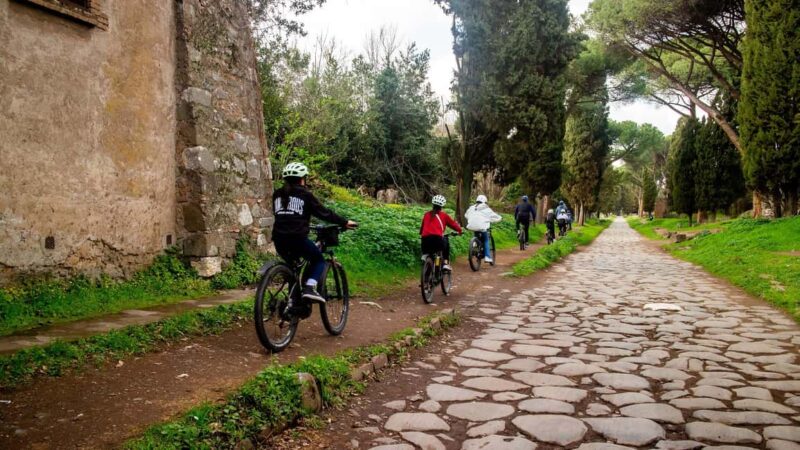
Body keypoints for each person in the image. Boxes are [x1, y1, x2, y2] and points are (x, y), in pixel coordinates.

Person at [271, 162, 358, 304]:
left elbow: (283, 215)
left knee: (293, 270)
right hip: (297, 239)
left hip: (279, 240)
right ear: (302, 179)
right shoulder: (305, 194)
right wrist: (344, 222)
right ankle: (309, 288)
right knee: (318, 261)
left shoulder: (277, 195)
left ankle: (292, 303)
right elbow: (324, 213)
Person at [419, 195, 463, 271]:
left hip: (425, 240)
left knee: (427, 251)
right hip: (437, 239)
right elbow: (453, 225)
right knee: (446, 243)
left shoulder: (426, 214)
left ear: (432, 204)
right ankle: (445, 263)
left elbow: (422, 228)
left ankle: (425, 257)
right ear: (442, 206)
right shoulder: (444, 215)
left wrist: (421, 234)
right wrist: (460, 230)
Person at [465, 194, 502, 263]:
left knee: (476, 237)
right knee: (486, 240)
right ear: (485, 201)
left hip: (472, 226)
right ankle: (487, 257)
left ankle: (472, 252)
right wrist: (497, 219)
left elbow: (466, 215)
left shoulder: (471, 207)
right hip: (482, 228)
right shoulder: (486, 208)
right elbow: (496, 217)